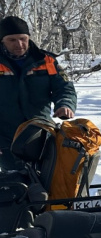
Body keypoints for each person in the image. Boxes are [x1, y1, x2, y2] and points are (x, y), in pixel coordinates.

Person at [0, 15, 77, 171]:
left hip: (41, 130)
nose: (19, 44)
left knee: (47, 177)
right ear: (2, 41)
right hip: (5, 136)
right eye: (12, 40)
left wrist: (65, 104)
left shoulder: (46, 60)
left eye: (23, 39)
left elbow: (64, 87)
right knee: (15, 179)